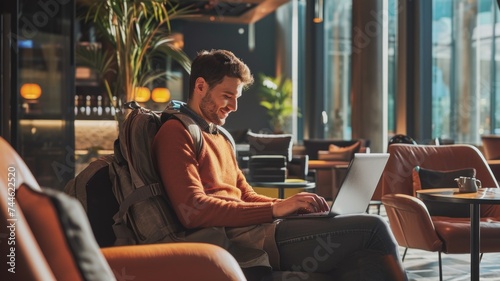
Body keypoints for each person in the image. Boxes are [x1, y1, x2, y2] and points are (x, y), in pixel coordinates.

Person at [152, 49, 408, 280]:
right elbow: (193, 211)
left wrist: (288, 206)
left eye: (237, 97)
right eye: (227, 96)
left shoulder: (221, 136)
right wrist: (275, 210)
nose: (234, 106)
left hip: (257, 228)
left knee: (361, 258)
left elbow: (246, 195)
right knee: (373, 227)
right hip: (233, 238)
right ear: (200, 86)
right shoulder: (177, 132)